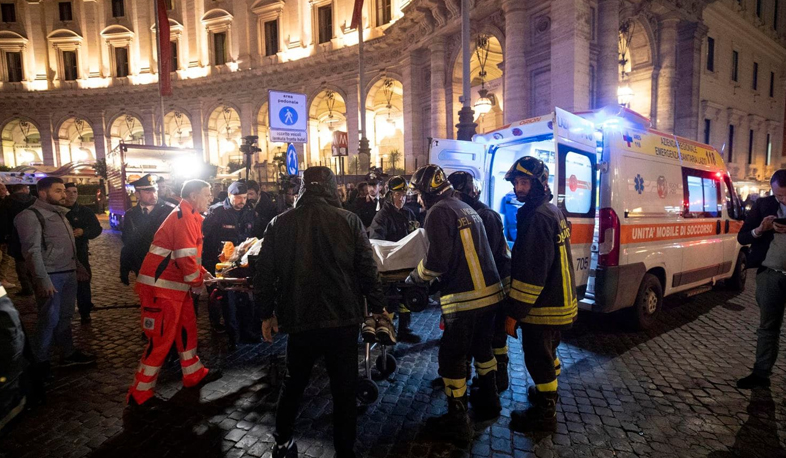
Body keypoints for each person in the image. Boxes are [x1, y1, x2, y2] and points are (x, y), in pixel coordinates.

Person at [254, 167, 386, 458]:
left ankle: (283, 441)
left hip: (299, 318)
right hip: (342, 319)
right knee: (344, 386)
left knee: (294, 382)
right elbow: (367, 269)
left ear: (302, 189)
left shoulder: (280, 223)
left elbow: (263, 275)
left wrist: (266, 314)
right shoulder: (349, 220)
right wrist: (378, 308)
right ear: (332, 187)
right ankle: (344, 449)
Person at [405, 164, 504, 442]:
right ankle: (489, 400)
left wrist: (416, 278)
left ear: (428, 192)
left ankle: (457, 421)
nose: (418, 200)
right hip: (490, 295)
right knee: (483, 349)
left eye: (419, 194)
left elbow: (437, 260)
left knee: (452, 358)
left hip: (465, 299)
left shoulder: (437, 212)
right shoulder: (465, 207)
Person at [127, 179, 222, 410]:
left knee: (186, 329)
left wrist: (202, 273)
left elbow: (189, 257)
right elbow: (185, 258)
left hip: (173, 288)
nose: (211, 198)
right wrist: (199, 281)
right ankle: (139, 394)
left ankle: (193, 373)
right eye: (207, 194)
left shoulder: (188, 215)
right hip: (161, 289)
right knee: (160, 340)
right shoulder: (184, 218)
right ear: (192, 195)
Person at [503, 156, 577, 432]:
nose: (519, 188)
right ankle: (549, 394)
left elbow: (531, 275)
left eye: (524, 182)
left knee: (537, 356)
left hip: (544, 307)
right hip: (561, 303)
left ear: (540, 183)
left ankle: (546, 413)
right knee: (549, 352)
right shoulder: (552, 211)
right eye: (517, 182)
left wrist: (514, 313)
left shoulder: (536, 217)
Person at [14, 177, 96, 377]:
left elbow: (67, 245)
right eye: (58, 191)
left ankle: (67, 353)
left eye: (64, 191)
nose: (64, 195)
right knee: (48, 319)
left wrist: (77, 266)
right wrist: (42, 280)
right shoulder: (30, 216)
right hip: (52, 276)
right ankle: (39, 361)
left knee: (65, 316)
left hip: (67, 273)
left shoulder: (59, 213)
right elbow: (32, 251)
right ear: (43, 193)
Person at [448, 171, 512, 391]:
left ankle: (498, 380)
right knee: (483, 338)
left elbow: (489, 257)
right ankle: (489, 380)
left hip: (497, 285)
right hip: (486, 285)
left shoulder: (486, 216)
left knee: (495, 338)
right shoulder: (471, 213)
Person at [737, 169, 786, 389]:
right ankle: (761, 373)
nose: (782, 199)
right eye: (779, 195)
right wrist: (761, 229)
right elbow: (743, 236)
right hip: (770, 275)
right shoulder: (764, 205)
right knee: (768, 327)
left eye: (785, 195)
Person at [202, 181, 256, 348]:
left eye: (244, 198)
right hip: (223, 265)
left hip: (242, 264)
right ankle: (234, 337)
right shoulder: (217, 212)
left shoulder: (249, 212)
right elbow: (207, 240)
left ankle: (248, 333)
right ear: (229, 196)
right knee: (228, 301)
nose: (242, 201)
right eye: (238, 198)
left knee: (246, 299)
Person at [368, 176, 421, 343]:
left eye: (404, 195)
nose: (402, 198)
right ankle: (387, 331)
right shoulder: (382, 217)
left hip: (406, 264)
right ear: (390, 195)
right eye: (398, 194)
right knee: (389, 300)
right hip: (390, 267)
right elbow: (377, 243)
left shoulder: (408, 213)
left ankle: (404, 329)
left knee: (407, 298)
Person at [119, 175, 172, 286]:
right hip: (141, 265)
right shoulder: (131, 214)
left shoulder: (169, 211)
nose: (153, 195)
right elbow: (127, 241)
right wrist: (125, 266)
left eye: (154, 191)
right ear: (137, 194)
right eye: (148, 192)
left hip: (164, 266)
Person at [64, 183, 103, 324]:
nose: (72, 194)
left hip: (80, 253)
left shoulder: (85, 211)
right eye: (68, 191)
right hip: (60, 254)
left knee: (83, 282)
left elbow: (97, 229)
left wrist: (84, 232)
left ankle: (85, 311)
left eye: (74, 191)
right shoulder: (57, 211)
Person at [1, 184, 36, 295]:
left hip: (15, 236)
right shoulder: (34, 200)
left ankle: (27, 287)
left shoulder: (7, 202)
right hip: (34, 234)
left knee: (20, 262)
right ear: (24, 189)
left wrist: (5, 237)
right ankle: (37, 284)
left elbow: (4, 221)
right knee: (35, 259)